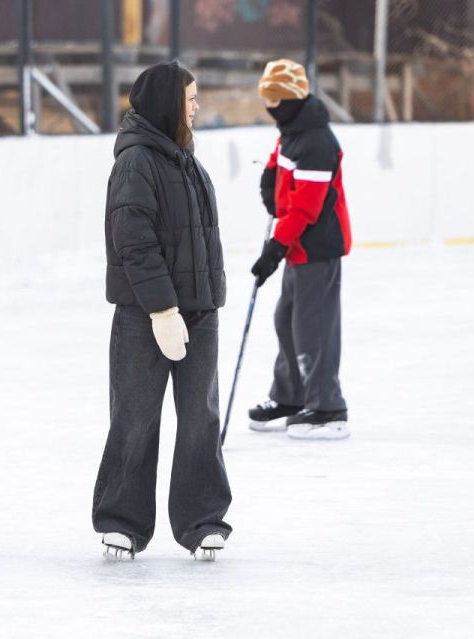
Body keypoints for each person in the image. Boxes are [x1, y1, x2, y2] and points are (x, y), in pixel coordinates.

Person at [93, 61, 232, 560]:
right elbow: (133, 242)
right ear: (168, 103)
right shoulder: (136, 162)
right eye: (189, 99)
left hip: (199, 312)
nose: (195, 107)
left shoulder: (183, 158)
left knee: (201, 418)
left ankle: (203, 520)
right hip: (144, 316)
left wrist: (205, 300)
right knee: (135, 417)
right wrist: (162, 310)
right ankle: (123, 522)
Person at [248, 59, 352, 441]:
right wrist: (269, 180)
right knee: (287, 320)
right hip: (299, 248)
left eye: (275, 98)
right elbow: (280, 165)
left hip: (317, 246)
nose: (269, 106)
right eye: (266, 98)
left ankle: (328, 407)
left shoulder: (317, 141)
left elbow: (306, 207)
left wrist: (274, 249)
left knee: (314, 328)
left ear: (291, 97)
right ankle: (291, 396)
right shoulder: (291, 129)